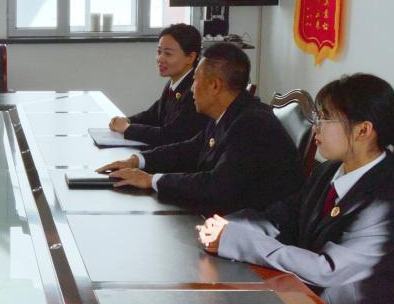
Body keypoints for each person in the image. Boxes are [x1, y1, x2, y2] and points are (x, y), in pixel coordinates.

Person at [196, 74, 394, 304]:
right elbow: (282, 218)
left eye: (326, 117)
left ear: (363, 130)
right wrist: (226, 224)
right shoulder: (329, 171)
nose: (316, 126)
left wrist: (237, 240)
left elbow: (327, 269)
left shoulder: (388, 200)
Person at [99, 43, 300, 214]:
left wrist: (152, 180)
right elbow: (190, 149)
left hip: (257, 223)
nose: (192, 88)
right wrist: (138, 160)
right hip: (228, 211)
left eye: (195, 79)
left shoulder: (252, 124)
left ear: (215, 86)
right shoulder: (230, 111)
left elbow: (217, 186)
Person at [108, 23, 208, 147]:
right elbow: (153, 115)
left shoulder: (195, 91)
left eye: (168, 54)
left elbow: (170, 136)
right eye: (159, 51)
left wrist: (128, 128)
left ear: (190, 57)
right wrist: (128, 120)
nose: (160, 58)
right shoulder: (175, 82)